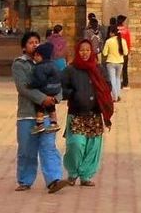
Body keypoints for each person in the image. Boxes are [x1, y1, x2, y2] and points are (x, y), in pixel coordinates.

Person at [12, 31, 68, 194]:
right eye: (31, 42)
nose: (35, 44)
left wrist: (56, 98)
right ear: (24, 47)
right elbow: (23, 87)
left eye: (37, 41)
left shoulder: (50, 63)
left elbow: (57, 82)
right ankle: (25, 179)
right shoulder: (20, 64)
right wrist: (44, 99)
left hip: (46, 115)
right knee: (26, 150)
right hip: (27, 114)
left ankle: (54, 180)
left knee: (48, 147)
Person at [61, 39, 113, 187]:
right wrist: (73, 94)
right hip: (77, 113)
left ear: (92, 52)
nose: (84, 53)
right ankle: (72, 173)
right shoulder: (70, 70)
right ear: (78, 51)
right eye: (82, 50)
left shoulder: (98, 69)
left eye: (87, 50)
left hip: (94, 114)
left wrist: (100, 94)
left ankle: (86, 175)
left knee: (93, 147)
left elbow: (107, 85)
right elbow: (61, 87)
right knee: (75, 144)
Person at [29, 42, 63, 135]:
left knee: (40, 102)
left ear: (41, 56)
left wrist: (32, 85)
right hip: (56, 88)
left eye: (36, 56)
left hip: (47, 88)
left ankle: (39, 124)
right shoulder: (54, 64)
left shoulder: (40, 67)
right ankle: (54, 122)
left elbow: (41, 80)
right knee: (51, 104)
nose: (34, 58)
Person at [100, 24, 128, 102]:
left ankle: (114, 97)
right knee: (118, 78)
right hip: (120, 62)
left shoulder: (109, 41)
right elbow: (125, 53)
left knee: (112, 79)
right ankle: (118, 94)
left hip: (111, 62)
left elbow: (104, 53)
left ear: (112, 33)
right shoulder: (123, 41)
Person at [115, 15, 133, 89]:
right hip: (124, 51)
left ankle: (116, 83)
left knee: (116, 68)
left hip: (116, 51)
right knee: (124, 68)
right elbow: (128, 41)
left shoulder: (114, 30)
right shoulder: (126, 30)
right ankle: (125, 83)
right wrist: (128, 50)